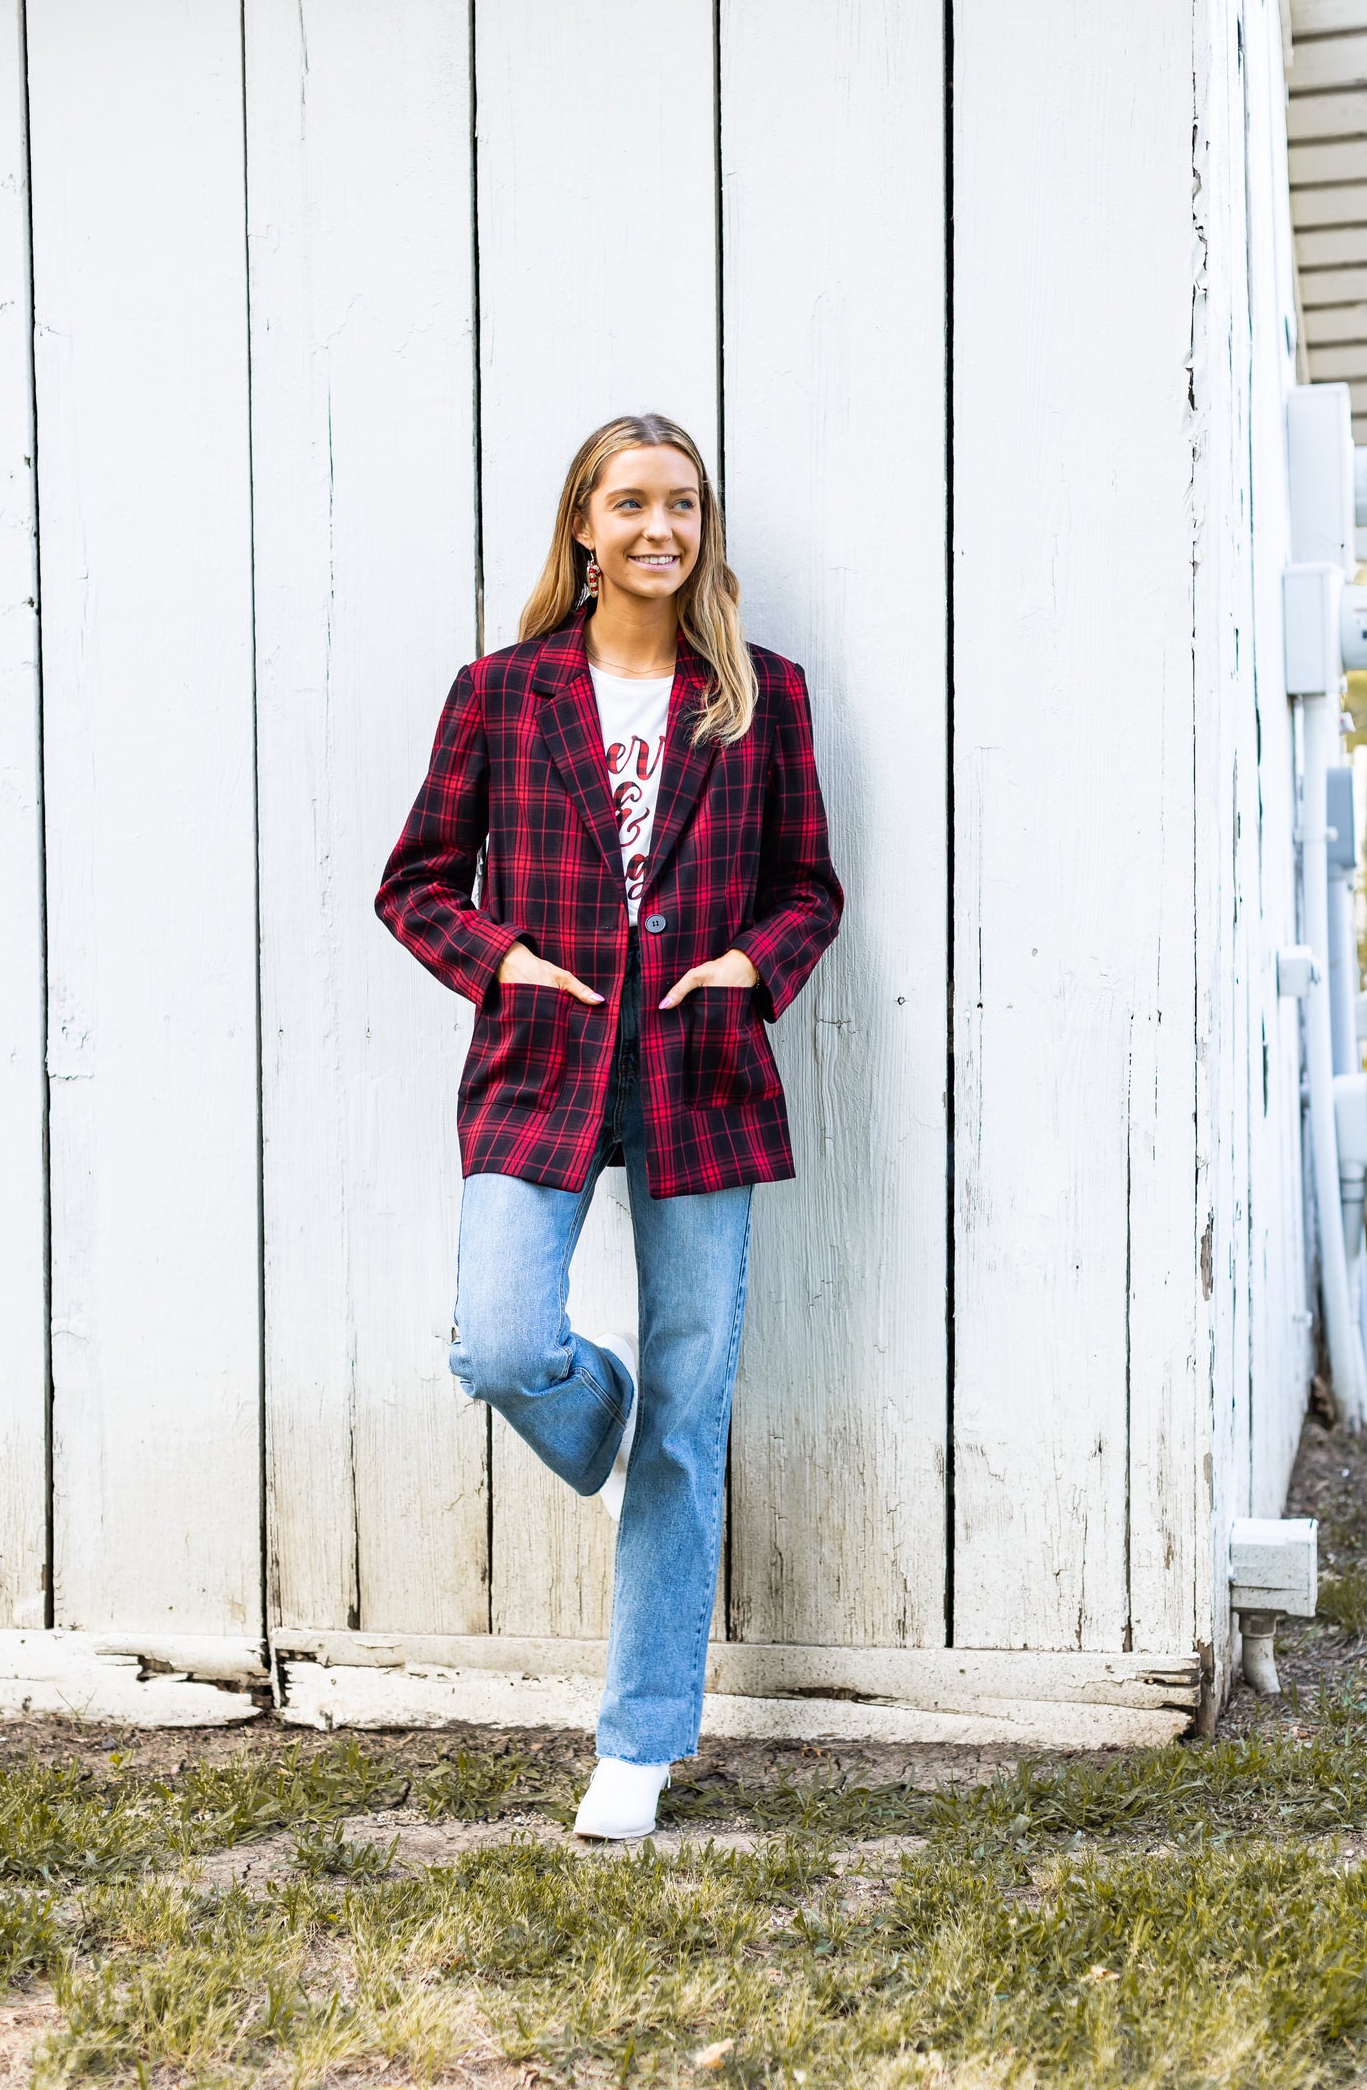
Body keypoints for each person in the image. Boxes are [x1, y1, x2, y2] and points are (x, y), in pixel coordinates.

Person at [375, 412, 842, 1840]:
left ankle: (636, 1747)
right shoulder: (503, 692)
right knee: (503, 1342)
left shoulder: (759, 694)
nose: (659, 528)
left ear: (703, 529)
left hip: (700, 1069)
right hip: (543, 1059)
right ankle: (601, 1413)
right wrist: (501, 961)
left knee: (689, 1430)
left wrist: (749, 968)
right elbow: (416, 883)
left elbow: (808, 888)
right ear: (582, 525)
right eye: (628, 503)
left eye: (682, 505)